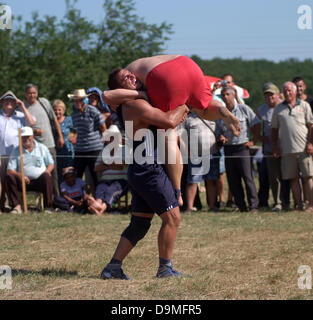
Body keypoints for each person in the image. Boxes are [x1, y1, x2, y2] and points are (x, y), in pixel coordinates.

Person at [103, 55, 241, 207]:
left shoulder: (134, 81)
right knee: (204, 109)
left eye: (128, 75)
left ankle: (177, 191)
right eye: (125, 78)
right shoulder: (138, 67)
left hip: (163, 74)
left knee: (168, 133)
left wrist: (139, 94)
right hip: (189, 65)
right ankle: (222, 111)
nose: (130, 77)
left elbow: (106, 95)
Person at [100, 99, 189, 280]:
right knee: (173, 218)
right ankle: (165, 269)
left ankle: (113, 267)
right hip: (149, 170)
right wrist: (183, 104)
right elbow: (170, 120)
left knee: (140, 224)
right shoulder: (136, 104)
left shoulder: (135, 103)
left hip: (141, 169)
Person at [216, 86, 260, 213]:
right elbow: (218, 131)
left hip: (242, 148)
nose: (225, 97)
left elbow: (256, 123)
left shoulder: (243, 109)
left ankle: (253, 206)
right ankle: (241, 206)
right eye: (223, 95)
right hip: (228, 149)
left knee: (247, 178)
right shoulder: (221, 113)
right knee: (233, 179)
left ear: (234, 95)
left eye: (227, 94)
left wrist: (253, 141)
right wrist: (221, 137)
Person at [272, 82, 313, 211]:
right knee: (293, 179)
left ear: (295, 92)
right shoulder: (278, 109)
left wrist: (310, 143)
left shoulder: (305, 105)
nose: (287, 93)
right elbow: (273, 130)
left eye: (290, 90)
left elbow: (311, 126)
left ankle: (311, 205)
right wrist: (275, 147)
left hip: (304, 149)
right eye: (285, 91)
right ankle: (299, 204)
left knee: (308, 177)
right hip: (287, 150)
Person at [24, 83, 64, 196]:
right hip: (34, 147)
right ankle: (45, 199)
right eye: (29, 93)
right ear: (25, 94)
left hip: (49, 143)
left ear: (37, 93)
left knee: (54, 172)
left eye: (34, 93)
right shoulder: (23, 108)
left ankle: (57, 198)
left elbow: (54, 119)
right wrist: (33, 132)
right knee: (38, 173)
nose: (32, 95)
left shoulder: (44, 102)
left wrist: (60, 136)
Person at [0, 90, 35, 212]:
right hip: (1, 154)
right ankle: (2, 205)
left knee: (12, 179)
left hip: (15, 154)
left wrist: (22, 106)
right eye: (6, 101)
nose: (8, 103)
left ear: (15, 103)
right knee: (1, 181)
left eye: (11, 101)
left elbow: (31, 123)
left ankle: (15, 204)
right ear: (2, 103)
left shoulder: (20, 116)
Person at [257, 82, 290, 211]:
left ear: (278, 95)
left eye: (272, 95)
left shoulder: (285, 106)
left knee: (288, 176)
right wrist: (258, 137)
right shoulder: (261, 110)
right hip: (270, 149)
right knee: (274, 177)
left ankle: (290, 201)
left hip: (287, 147)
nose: (269, 98)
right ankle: (278, 202)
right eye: (266, 96)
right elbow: (254, 123)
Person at [5, 127, 54, 214]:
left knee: (47, 176)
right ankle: (16, 207)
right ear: (20, 138)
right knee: (9, 176)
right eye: (23, 137)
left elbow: (51, 163)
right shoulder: (16, 151)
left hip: (39, 181)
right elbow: (10, 170)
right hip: (23, 182)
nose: (26, 139)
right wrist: (20, 176)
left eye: (28, 136)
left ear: (32, 136)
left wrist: (47, 172)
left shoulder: (42, 148)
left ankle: (48, 207)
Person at [87, 125, 128, 215]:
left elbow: (122, 163)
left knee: (111, 190)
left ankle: (100, 207)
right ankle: (98, 205)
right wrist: (113, 164)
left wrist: (106, 163)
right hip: (105, 179)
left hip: (120, 180)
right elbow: (96, 168)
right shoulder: (104, 151)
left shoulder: (124, 149)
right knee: (100, 188)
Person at [69, 89, 107, 186]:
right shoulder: (74, 114)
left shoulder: (92, 110)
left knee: (96, 177)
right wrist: (72, 137)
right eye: (75, 100)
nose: (77, 102)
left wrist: (106, 144)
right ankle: (79, 198)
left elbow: (103, 127)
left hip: (94, 148)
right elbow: (74, 130)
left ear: (84, 100)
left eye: (79, 100)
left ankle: (99, 199)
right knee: (76, 175)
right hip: (80, 149)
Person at [53, 99, 75, 184]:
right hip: (56, 150)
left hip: (67, 149)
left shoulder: (69, 119)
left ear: (63, 110)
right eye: (55, 109)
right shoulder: (52, 122)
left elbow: (74, 130)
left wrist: (71, 138)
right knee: (58, 174)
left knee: (69, 173)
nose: (57, 112)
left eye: (59, 109)